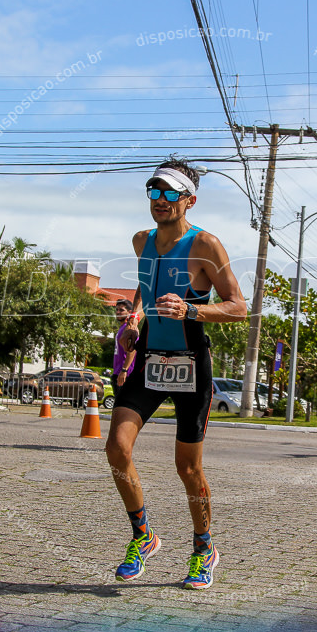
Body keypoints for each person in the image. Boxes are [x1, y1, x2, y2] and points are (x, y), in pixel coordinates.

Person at [106, 158, 247, 590]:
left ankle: (204, 549)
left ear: (189, 200)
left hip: (190, 362)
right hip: (149, 357)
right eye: (155, 192)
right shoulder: (140, 241)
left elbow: (238, 306)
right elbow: (145, 292)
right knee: (116, 447)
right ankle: (143, 536)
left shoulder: (206, 245)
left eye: (170, 193)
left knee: (187, 469)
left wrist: (191, 309)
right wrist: (133, 319)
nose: (161, 201)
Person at [111, 298, 137, 396]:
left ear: (129, 313)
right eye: (117, 310)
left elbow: (132, 350)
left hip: (125, 374)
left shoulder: (128, 329)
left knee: (122, 407)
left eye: (121, 310)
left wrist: (124, 370)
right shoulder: (122, 329)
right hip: (117, 372)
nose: (118, 312)